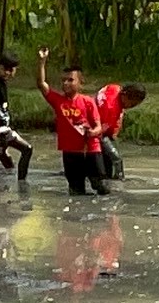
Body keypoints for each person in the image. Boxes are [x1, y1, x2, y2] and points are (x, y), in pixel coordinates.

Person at [36, 48, 108, 196]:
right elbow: (41, 84)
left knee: (100, 186)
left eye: (70, 80)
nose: (66, 83)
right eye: (63, 80)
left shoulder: (87, 101)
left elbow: (98, 126)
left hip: (91, 149)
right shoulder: (58, 101)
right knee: (75, 189)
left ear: (80, 83)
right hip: (70, 151)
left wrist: (93, 132)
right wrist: (42, 62)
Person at [0, 53, 35, 181]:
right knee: (27, 149)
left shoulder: (1, 83)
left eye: (11, 70)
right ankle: (22, 183)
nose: (7, 73)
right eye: (5, 69)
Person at [95, 82, 147, 179]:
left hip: (95, 120)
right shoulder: (111, 110)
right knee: (115, 159)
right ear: (125, 96)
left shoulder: (114, 88)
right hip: (96, 130)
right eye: (132, 104)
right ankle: (117, 181)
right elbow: (100, 132)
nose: (131, 107)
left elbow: (119, 111)